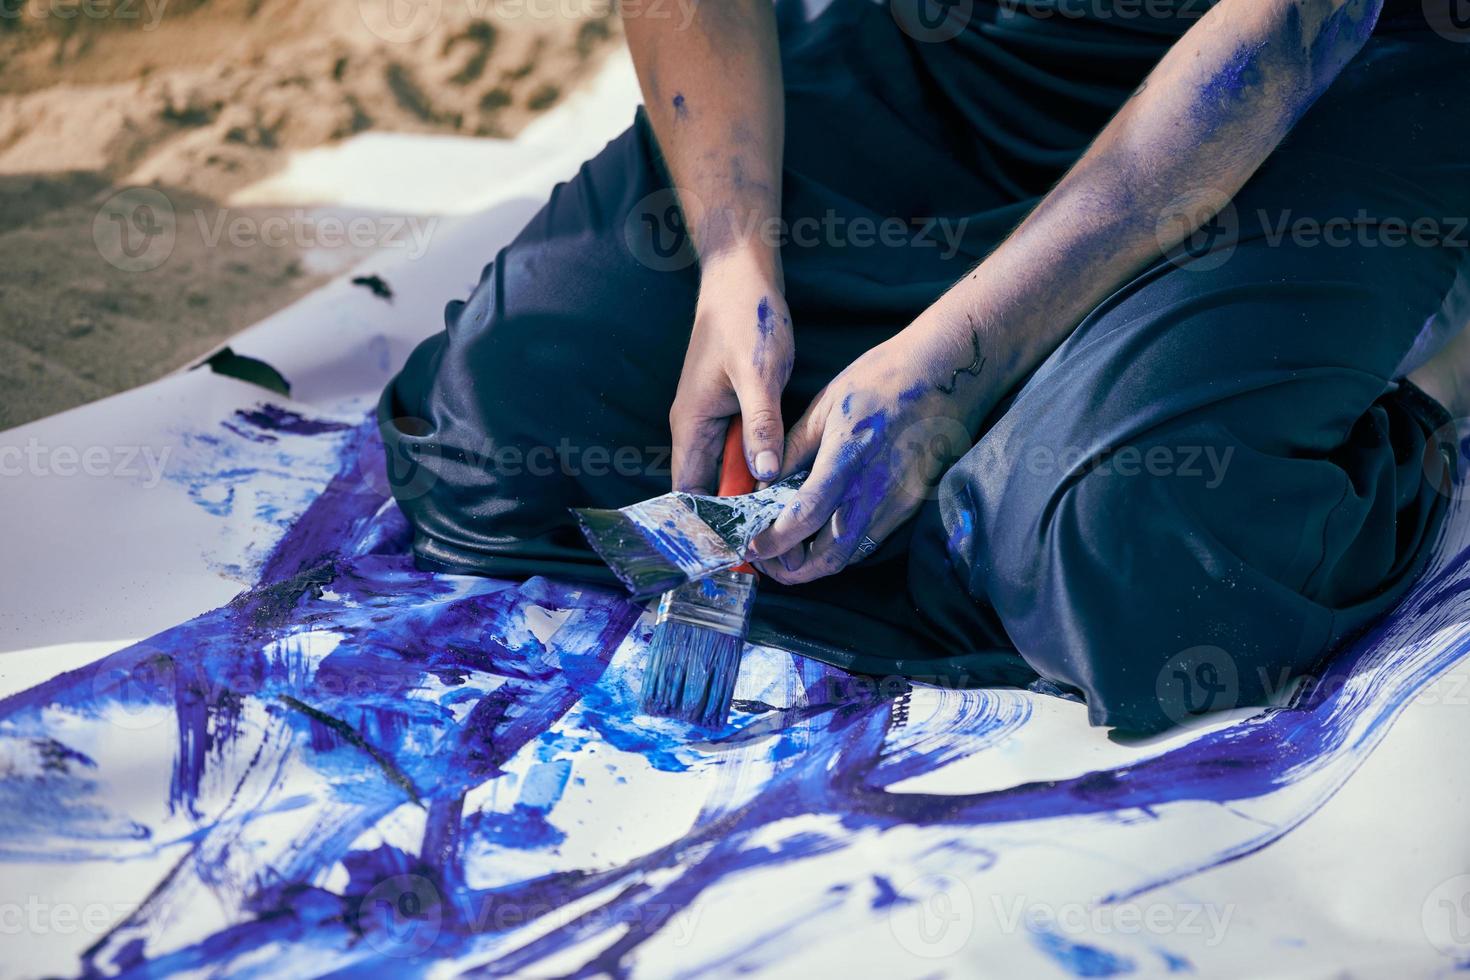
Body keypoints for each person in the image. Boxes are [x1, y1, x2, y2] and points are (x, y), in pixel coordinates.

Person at [379, 0, 1470, 732]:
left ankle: (1437, 378)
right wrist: (731, 249)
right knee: (498, 431)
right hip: (959, 50)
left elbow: (1277, 39)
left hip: (1304, 88)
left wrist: (956, 366)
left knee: (1134, 546)